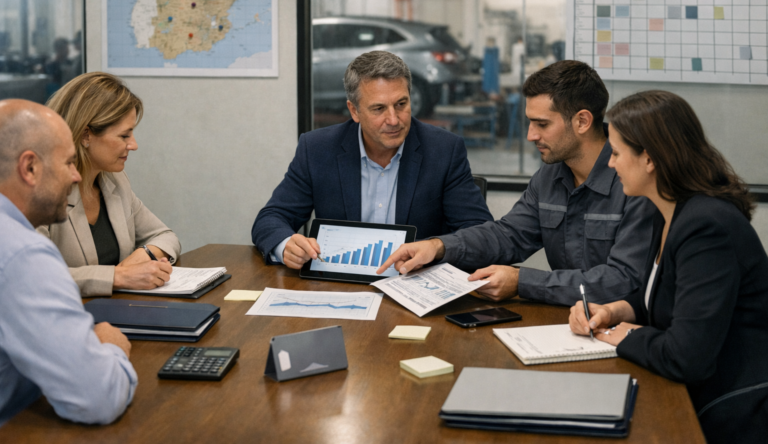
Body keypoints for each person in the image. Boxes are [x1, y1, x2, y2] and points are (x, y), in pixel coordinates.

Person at [568, 90, 768, 443]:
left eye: (616, 153)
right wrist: (614, 311)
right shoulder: (669, 211)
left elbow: (686, 358)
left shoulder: (706, 226)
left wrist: (626, 335)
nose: (610, 164)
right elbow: (664, 297)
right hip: (694, 393)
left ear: (649, 158)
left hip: (732, 410)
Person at [379, 60, 655, 306]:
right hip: (568, 320)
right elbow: (508, 235)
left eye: (542, 124)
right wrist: (439, 247)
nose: (530, 135)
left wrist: (522, 282)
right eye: (530, 123)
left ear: (582, 121)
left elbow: (624, 281)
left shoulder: (636, 182)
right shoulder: (549, 176)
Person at [252, 51, 493, 269]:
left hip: (414, 283)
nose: (393, 120)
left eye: (401, 104)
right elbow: (271, 218)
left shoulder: (444, 150)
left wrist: (437, 248)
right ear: (354, 111)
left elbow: (481, 233)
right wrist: (286, 245)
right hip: (341, 285)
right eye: (379, 109)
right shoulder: (317, 149)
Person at [0, 99, 137, 426]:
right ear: (30, 168)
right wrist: (111, 348)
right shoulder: (22, 255)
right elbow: (98, 397)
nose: (76, 176)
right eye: (68, 163)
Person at [38, 72, 181, 297]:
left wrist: (143, 255)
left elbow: (165, 236)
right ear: (86, 135)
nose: (133, 145)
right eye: (124, 136)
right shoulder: (36, 192)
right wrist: (118, 276)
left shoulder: (113, 180)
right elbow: (33, 275)